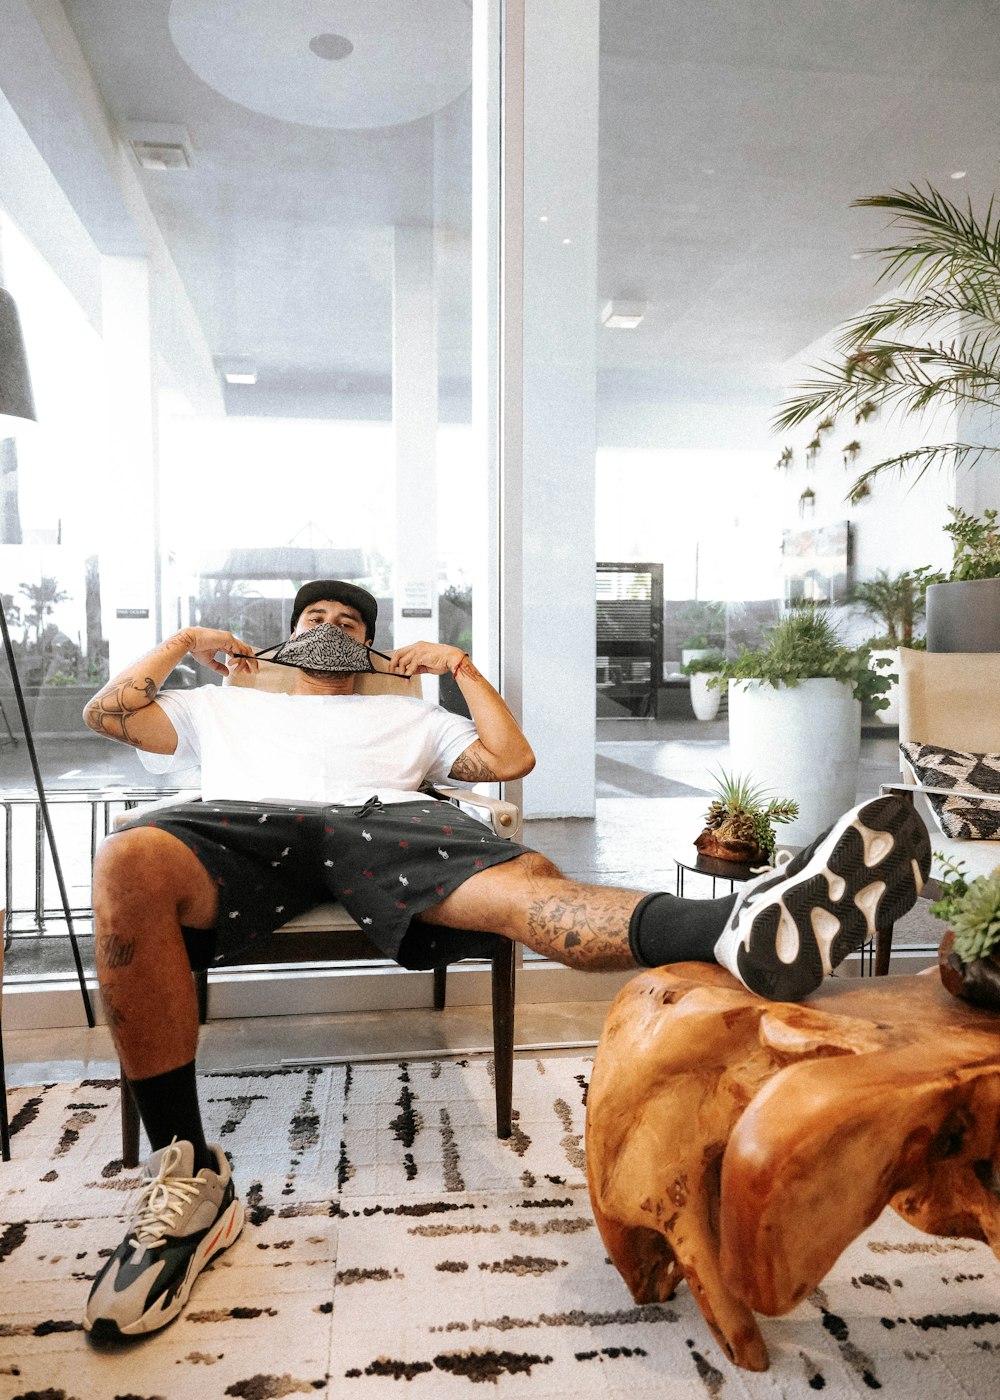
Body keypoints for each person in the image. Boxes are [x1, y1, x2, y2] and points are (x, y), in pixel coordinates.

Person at [80, 579, 931, 1340]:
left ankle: (730, 924)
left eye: (349, 620)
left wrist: (459, 667)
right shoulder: (223, 704)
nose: (330, 627)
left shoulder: (411, 713)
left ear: (373, 648)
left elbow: (512, 760)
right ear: (284, 635)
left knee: (523, 887)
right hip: (240, 821)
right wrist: (185, 645)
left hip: (388, 820)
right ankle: (191, 1177)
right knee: (126, 860)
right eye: (314, 617)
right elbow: (107, 714)